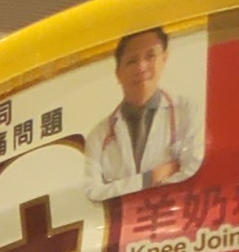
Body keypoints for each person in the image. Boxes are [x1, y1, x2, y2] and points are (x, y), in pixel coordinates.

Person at [84, 25, 203, 200]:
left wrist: (123, 189)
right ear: (118, 73)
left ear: (164, 59)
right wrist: (149, 179)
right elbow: (93, 193)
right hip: (126, 218)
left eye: (150, 56)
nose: (141, 67)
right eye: (131, 61)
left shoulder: (187, 111)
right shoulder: (99, 135)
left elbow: (194, 172)